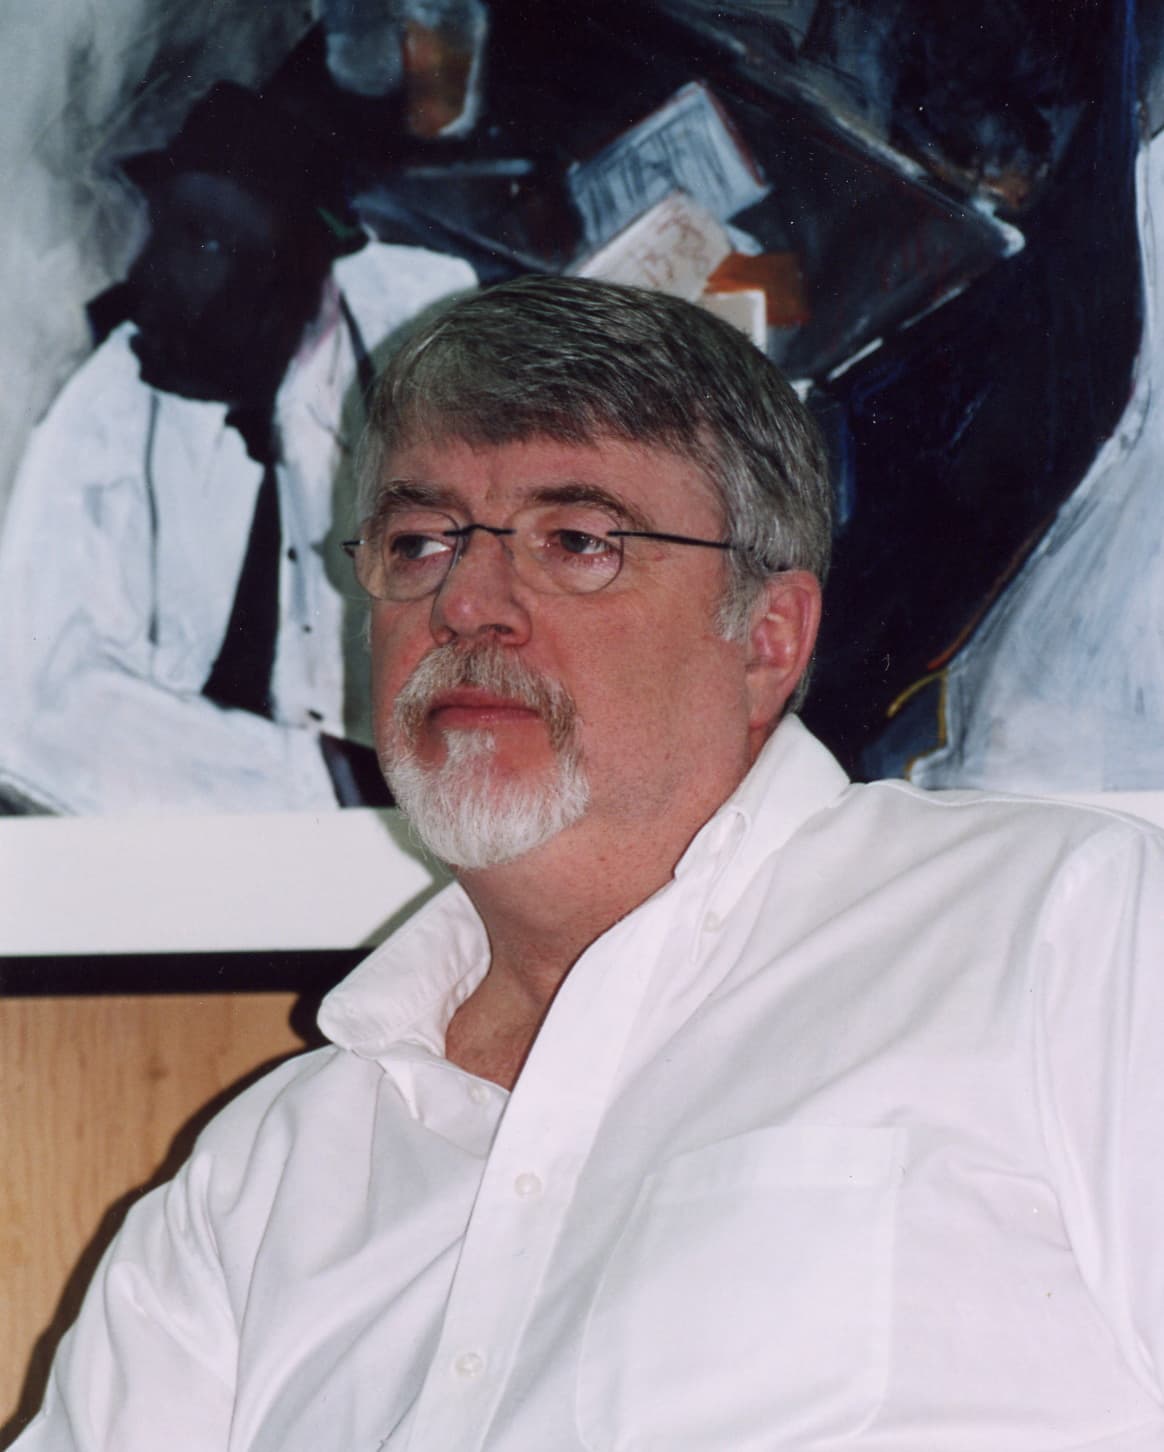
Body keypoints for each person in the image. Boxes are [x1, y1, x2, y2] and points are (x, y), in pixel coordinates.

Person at [14, 277, 1164, 1449]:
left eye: (576, 542)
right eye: (419, 541)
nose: (467, 601)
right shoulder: (263, 1178)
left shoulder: (1063, 927)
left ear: (768, 638)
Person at [0, 83, 474, 814]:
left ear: (305, 272)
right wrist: (328, 781)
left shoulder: (423, 324)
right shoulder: (112, 405)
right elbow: (34, 710)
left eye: (205, 242)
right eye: (165, 229)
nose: (150, 276)